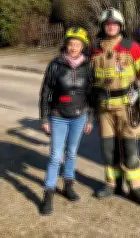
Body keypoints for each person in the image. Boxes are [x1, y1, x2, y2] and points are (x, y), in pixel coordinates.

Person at [90, 8, 140, 206]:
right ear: (102, 26)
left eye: (115, 24)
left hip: (128, 107)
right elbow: (87, 79)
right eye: (107, 24)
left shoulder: (132, 47)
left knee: (130, 150)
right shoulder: (94, 48)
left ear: (121, 26)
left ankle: (136, 188)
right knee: (108, 150)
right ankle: (112, 184)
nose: (111, 27)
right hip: (104, 108)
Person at [38, 27, 94, 216]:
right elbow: (45, 93)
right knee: (55, 156)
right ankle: (48, 193)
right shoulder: (55, 65)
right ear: (66, 45)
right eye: (71, 44)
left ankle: (68, 186)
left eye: (78, 44)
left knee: (71, 153)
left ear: (83, 46)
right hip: (58, 116)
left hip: (80, 116)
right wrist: (44, 118)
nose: (74, 47)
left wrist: (90, 118)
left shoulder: (88, 66)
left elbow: (91, 94)